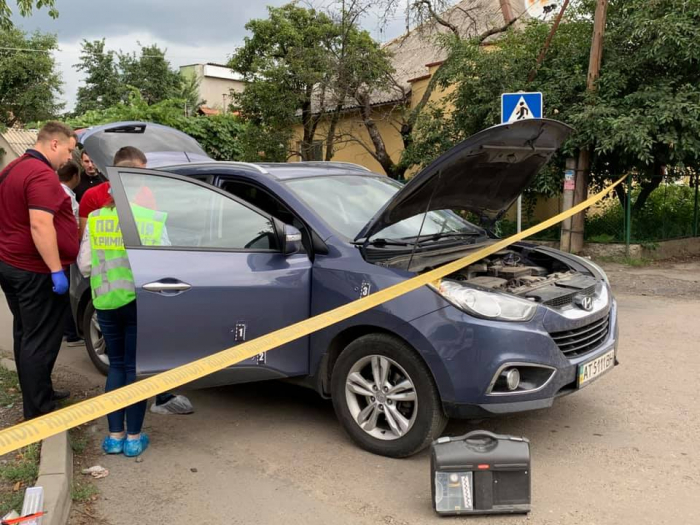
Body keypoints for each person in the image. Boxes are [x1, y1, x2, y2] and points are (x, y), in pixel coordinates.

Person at [78, 146, 193, 415]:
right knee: (134, 367)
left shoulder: (96, 218)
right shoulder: (151, 219)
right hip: (139, 303)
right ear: (137, 178)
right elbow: (165, 265)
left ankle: (115, 435)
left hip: (105, 302)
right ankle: (133, 438)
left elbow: (84, 266)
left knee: (116, 366)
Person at [0, 122, 79, 420]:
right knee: (40, 340)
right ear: (54, 144)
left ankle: (39, 391)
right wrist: (55, 270)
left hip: (11, 265)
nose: (69, 159)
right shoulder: (42, 174)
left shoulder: (12, 168)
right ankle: (39, 411)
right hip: (34, 271)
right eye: (69, 151)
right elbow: (40, 224)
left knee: (25, 333)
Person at [57, 161, 84, 347]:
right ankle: (71, 333)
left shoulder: (59, 192)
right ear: (75, 176)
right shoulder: (66, 196)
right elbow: (72, 225)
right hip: (64, 252)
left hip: (58, 251)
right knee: (67, 294)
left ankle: (65, 331)